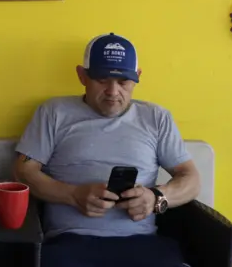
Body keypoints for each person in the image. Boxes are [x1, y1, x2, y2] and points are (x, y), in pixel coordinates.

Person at [14, 33, 201, 267]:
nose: (113, 92)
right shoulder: (54, 112)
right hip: (70, 242)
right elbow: (23, 171)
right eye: (102, 80)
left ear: (137, 78)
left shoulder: (156, 118)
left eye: (123, 82)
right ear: (82, 76)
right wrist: (72, 195)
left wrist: (156, 198)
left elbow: (191, 178)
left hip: (142, 244)